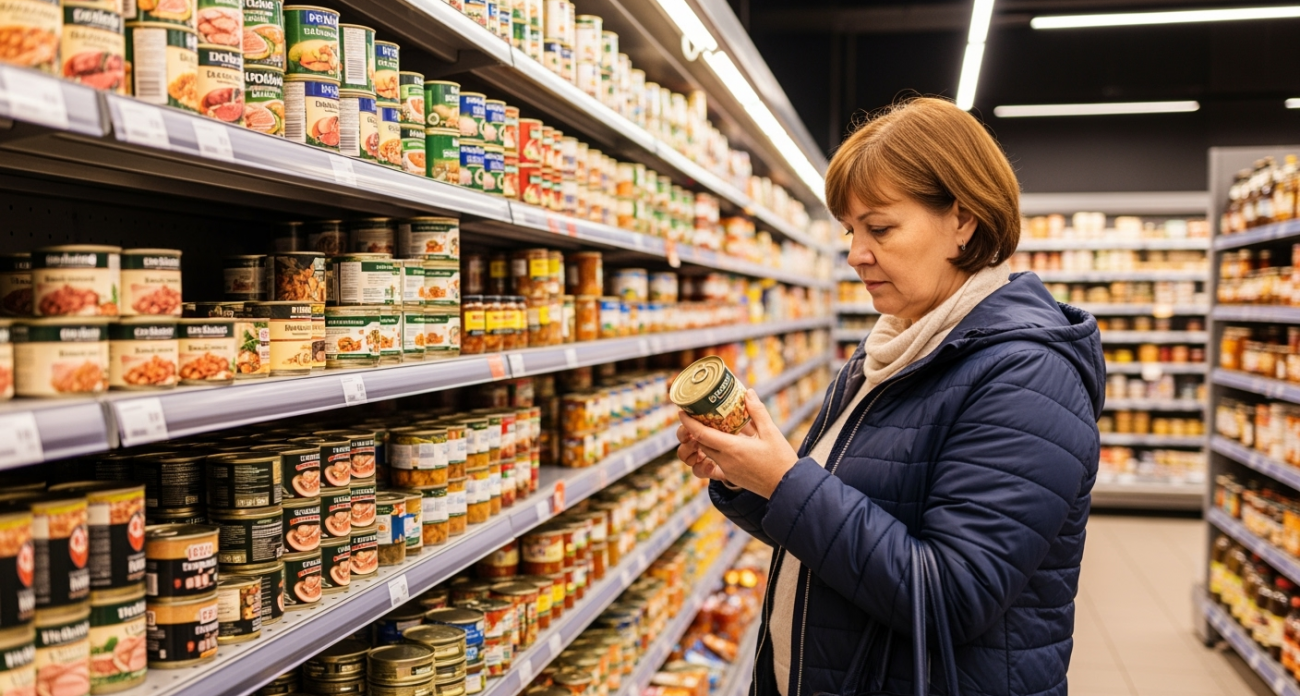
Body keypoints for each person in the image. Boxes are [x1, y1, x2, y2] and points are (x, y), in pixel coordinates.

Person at [676, 97, 1103, 696]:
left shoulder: (1026, 375)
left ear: (963, 219)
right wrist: (746, 474)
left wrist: (784, 482)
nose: (856, 254)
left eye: (879, 228)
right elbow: (839, 530)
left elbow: (953, 596)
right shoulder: (894, 349)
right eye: (851, 231)